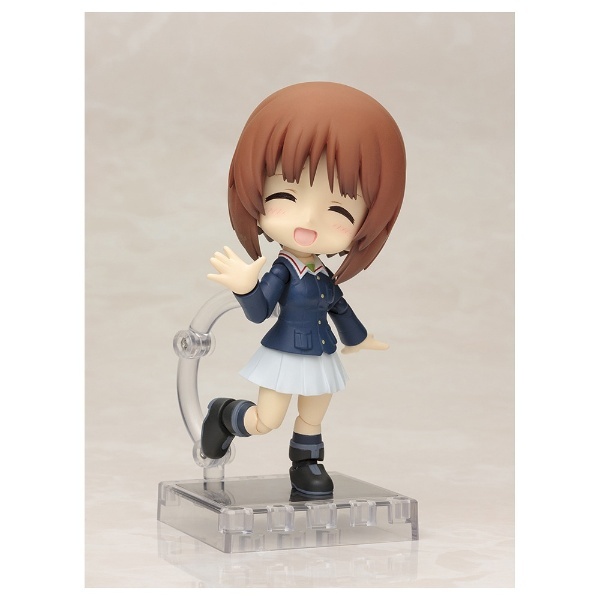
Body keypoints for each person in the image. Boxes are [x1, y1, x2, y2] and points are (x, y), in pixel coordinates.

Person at [201, 82, 406, 496]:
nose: (308, 221)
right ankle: (226, 415)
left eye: (339, 209)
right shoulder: (283, 271)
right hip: (284, 353)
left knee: (313, 414)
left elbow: (340, 308)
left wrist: (358, 338)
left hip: (321, 352)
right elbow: (260, 312)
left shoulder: (323, 276)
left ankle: (307, 464)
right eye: (285, 195)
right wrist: (246, 288)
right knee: (267, 420)